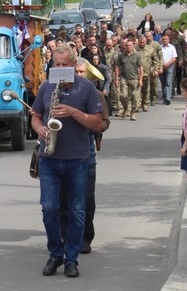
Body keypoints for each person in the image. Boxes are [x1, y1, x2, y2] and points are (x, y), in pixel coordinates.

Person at [32, 44, 103, 277]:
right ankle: (55, 253)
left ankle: (71, 259)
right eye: (56, 65)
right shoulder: (46, 86)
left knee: (77, 210)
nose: (60, 68)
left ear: (74, 65)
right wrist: (40, 128)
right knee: (49, 207)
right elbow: (36, 116)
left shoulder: (87, 88)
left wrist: (74, 113)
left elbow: (98, 123)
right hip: (49, 157)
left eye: (64, 65)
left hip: (77, 158)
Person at [60, 59, 111, 254]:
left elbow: (104, 123)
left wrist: (87, 120)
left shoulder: (95, 94)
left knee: (86, 198)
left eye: (83, 72)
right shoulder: (61, 93)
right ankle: (65, 236)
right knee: (62, 198)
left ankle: (85, 237)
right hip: (63, 150)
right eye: (77, 72)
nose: (79, 75)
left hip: (86, 151)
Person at [113, 37, 143, 120]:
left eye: (130, 45)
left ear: (133, 46)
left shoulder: (137, 55)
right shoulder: (121, 56)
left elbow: (141, 67)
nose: (128, 47)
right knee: (123, 95)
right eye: (127, 45)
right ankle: (125, 109)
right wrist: (116, 79)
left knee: (135, 97)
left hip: (134, 78)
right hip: (124, 78)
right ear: (124, 46)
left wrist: (140, 79)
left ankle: (133, 113)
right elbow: (117, 67)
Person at [159, 33, 178, 105]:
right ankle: (165, 96)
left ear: (169, 40)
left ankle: (168, 98)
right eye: (163, 39)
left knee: (168, 82)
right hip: (161, 66)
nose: (165, 41)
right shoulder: (160, 47)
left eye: (166, 39)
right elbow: (158, 58)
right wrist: (163, 64)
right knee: (163, 82)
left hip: (170, 66)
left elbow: (174, 58)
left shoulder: (172, 47)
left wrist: (167, 64)